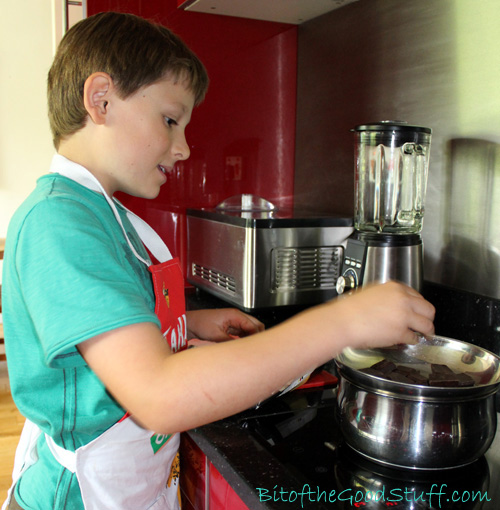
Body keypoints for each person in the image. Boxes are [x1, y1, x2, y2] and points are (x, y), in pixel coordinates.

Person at [1, 11, 435, 510]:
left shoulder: (100, 212)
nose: (183, 147)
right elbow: (159, 395)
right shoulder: (60, 221)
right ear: (100, 100)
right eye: (170, 119)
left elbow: (110, 326)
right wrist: (342, 321)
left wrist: (188, 322)